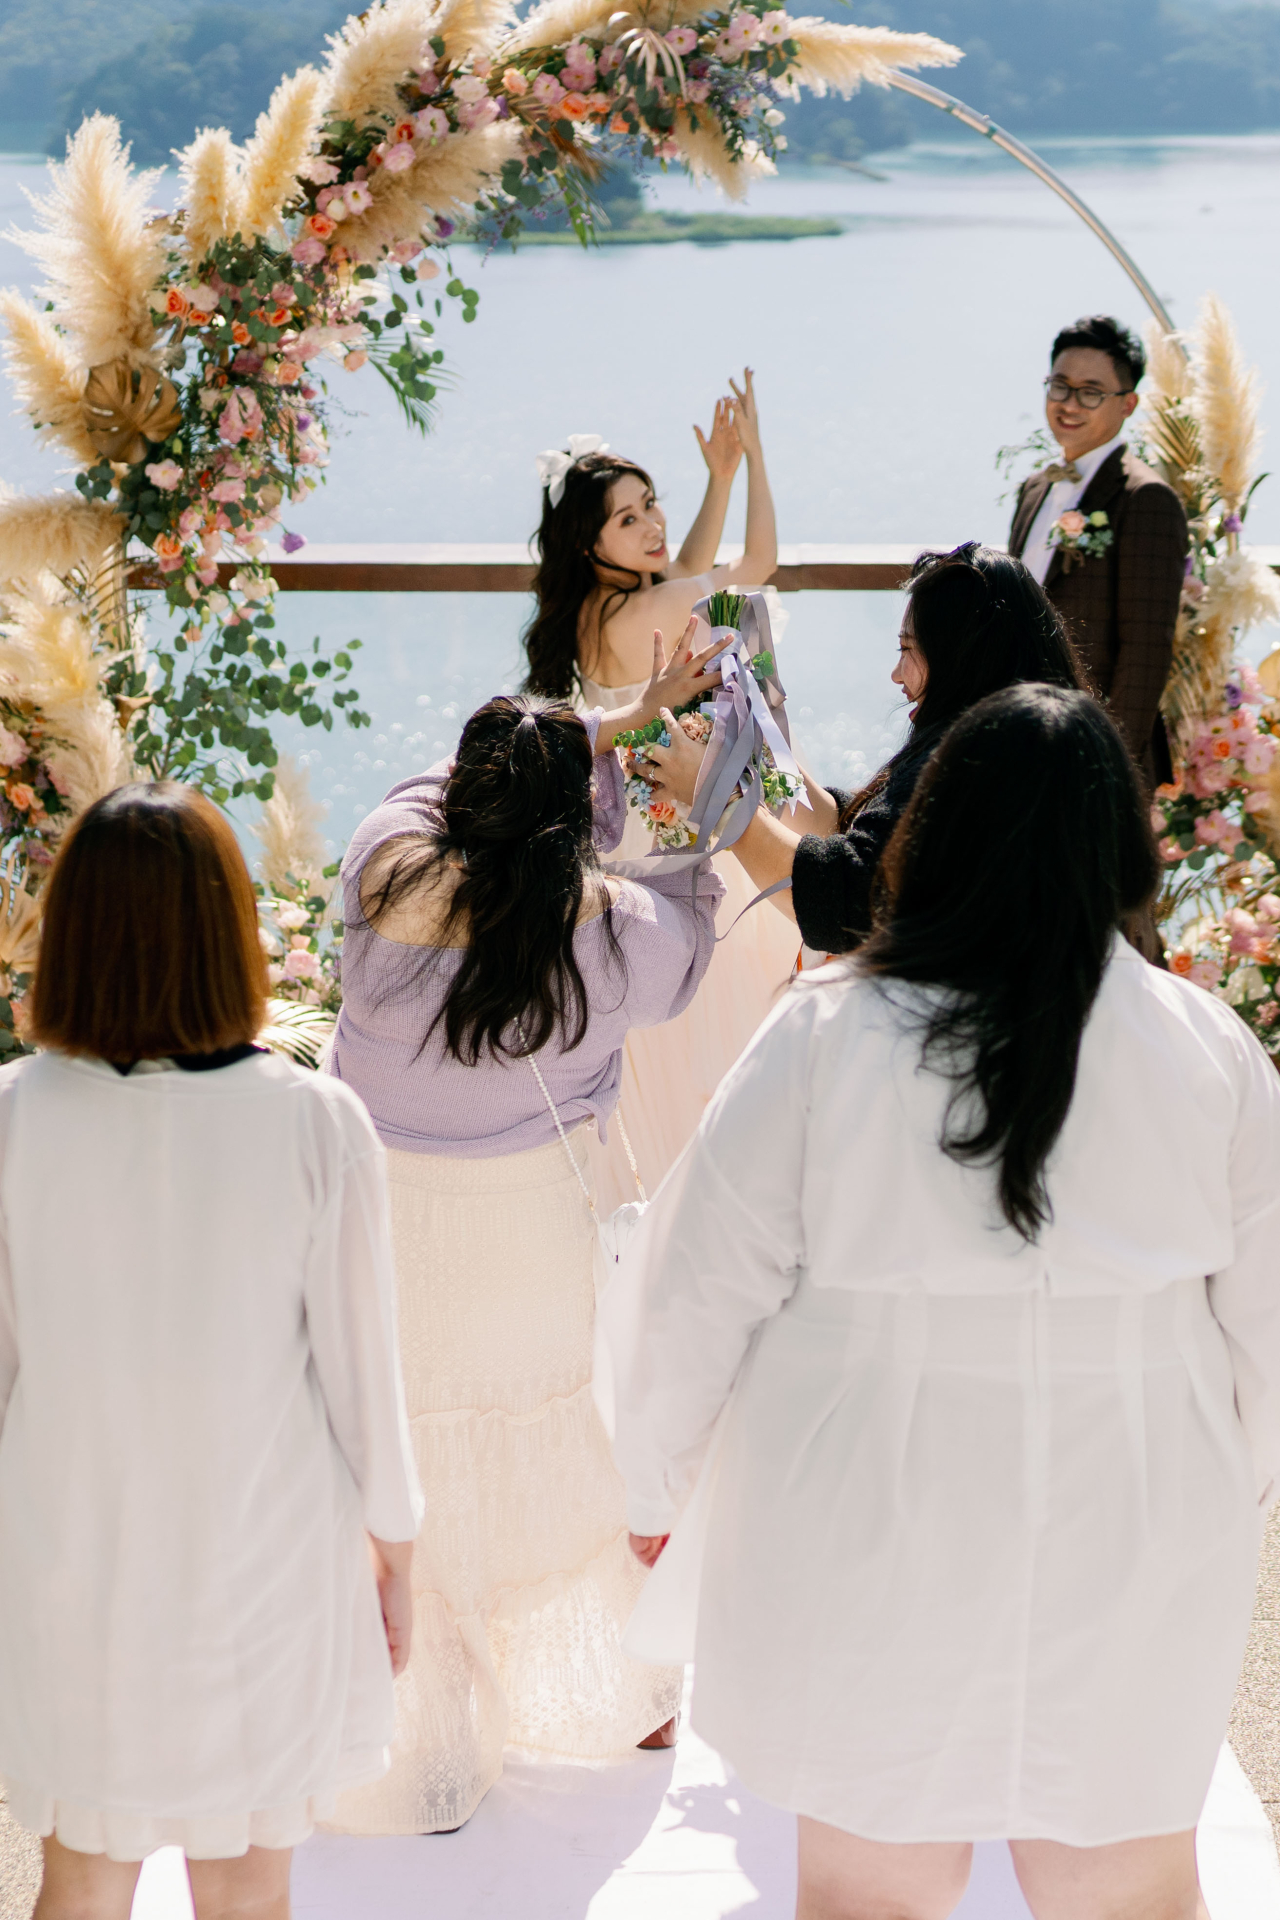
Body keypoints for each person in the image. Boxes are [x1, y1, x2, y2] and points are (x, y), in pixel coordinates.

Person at [605, 685, 1280, 1920]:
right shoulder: (1203, 1043)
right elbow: (1267, 1324)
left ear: (933, 832)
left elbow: (696, 1287)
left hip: (867, 1487)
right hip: (1135, 1490)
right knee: (1124, 1888)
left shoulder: (823, 1034)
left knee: (872, 1891)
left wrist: (654, 1486)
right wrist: (1223, 1489)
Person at [0, 784, 422, 1920]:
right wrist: (396, 1553)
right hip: (263, 1565)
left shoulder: (13, 1118)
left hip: (70, 1563)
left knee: (80, 1878)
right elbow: (365, 1385)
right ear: (229, 931)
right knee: (245, 1888)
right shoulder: (313, 1122)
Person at [324, 685, 724, 1836]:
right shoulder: (605, 927)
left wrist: (594, 725)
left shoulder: (383, 869)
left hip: (392, 1222)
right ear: (567, 819)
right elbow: (688, 934)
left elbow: (425, 796)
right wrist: (668, 796)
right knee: (552, 1436)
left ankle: (432, 1713)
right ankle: (615, 1697)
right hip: (529, 1229)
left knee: (413, 1440)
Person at [522, 375, 811, 1209]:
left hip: (640, 856)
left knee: (684, 1055)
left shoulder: (599, 611)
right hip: (685, 852)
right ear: (588, 544)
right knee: (728, 1035)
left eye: (651, 504)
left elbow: (680, 569)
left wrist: (718, 478)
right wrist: (756, 457)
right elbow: (753, 567)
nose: (651, 525)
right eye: (627, 519)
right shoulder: (634, 615)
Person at [644, 544, 1085, 959]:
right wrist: (756, 739)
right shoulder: (1033, 746)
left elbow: (850, 901)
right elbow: (851, 830)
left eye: (908, 649)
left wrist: (716, 792)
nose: (896, 674)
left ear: (963, 655)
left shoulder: (971, 764)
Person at [1008, 313, 1188, 790]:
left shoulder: (1145, 498)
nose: (1069, 403)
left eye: (1091, 392)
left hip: (1092, 761)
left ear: (1128, 403)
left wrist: (1107, 770)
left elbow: (1145, 653)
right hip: (1022, 742)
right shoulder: (1035, 488)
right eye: (1060, 386)